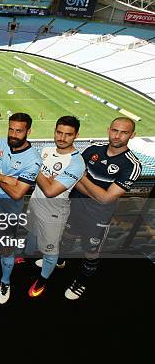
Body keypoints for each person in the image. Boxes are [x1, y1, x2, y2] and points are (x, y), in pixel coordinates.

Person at [60, 117, 141, 300]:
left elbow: (106, 199)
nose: (117, 136)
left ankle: (82, 280)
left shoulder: (132, 165)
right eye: (114, 130)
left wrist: (83, 179)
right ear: (108, 130)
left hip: (98, 217)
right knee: (68, 236)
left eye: (124, 132)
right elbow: (76, 180)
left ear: (132, 135)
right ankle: (61, 260)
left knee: (91, 251)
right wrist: (97, 194)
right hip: (75, 206)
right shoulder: (93, 150)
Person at [0, 113, 41, 304]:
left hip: (9, 212)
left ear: (29, 131)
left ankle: (5, 281)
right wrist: (5, 178)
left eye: (19, 130)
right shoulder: (0, 143)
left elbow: (17, 193)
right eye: (11, 129)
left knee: (6, 248)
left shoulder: (33, 160)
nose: (13, 134)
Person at [24, 116, 85, 298]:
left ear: (76, 135)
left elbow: (51, 190)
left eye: (68, 134)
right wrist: (44, 177)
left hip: (53, 214)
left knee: (50, 251)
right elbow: (44, 183)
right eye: (59, 132)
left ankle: (43, 279)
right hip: (35, 203)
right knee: (32, 234)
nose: (62, 138)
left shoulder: (76, 163)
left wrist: (35, 168)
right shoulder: (46, 150)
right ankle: (28, 258)